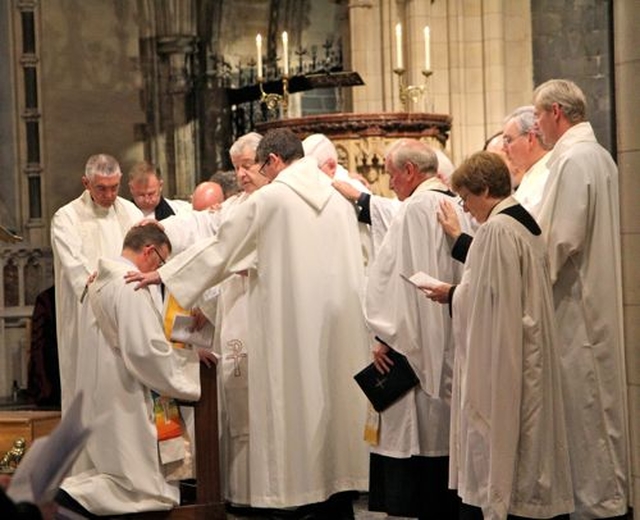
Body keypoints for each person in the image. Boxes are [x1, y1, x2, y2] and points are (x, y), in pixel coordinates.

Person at [127, 128, 370, 518]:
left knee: (292, 420)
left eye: (259, 166)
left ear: (273, 161)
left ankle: (298, 500)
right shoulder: (339, 202)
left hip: (289, 334)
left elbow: (223, 249)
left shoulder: (273, 200)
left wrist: (165, 274)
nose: (256, 175)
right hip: (336, 333)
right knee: (331, 426)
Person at [428, 151, 573, 520]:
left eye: (466, 198)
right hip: (530, 353)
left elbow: (490, 306)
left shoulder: (496, 229)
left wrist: (453, 294)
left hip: (506, 362)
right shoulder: (522, 222)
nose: (465, 207)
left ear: (486, 189)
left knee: (504, 452)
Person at [57, 225, 215, 516]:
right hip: (129, 396)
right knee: (142, 488)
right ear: (149, 251)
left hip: (105, 392)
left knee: (120, 475)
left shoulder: (99, 280)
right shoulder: (130, 284)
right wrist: (190, 363)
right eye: (162, 261)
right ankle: (63, 495)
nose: (160, 271)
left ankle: (66, 496)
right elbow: (146, 351)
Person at [533, 79, 629, 520]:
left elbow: (560, 238)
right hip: (592, 295)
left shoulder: (573, 159)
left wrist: (528, 282)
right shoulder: (600, 156)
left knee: (586, 408)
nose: (536, 126)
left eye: (538, 116)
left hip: (577, 304)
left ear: (556, 112)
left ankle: (597, 507)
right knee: (597, 406)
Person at [364, 139, 469, 519]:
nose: (389, 184)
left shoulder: (413, 210)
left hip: (412, 348)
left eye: (391, 174)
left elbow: (396, 280)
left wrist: (384, 335)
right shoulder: (459, 205)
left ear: (410, 171)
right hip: (451, 342)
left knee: (416, 442)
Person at [51, 153, 142, 413]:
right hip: (87, 312)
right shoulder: (66, 217)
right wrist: (103, 286)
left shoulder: (131, 212)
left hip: (127, 309)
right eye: (101, 188)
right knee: (87, 383)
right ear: (86, 183)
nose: (109, 194)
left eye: (114, 187)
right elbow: (76, 267)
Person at [502, 106, 551, 215]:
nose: (504, 149)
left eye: (508, 140)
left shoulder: (548, 176)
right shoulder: (532, 174)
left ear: (530, 139)